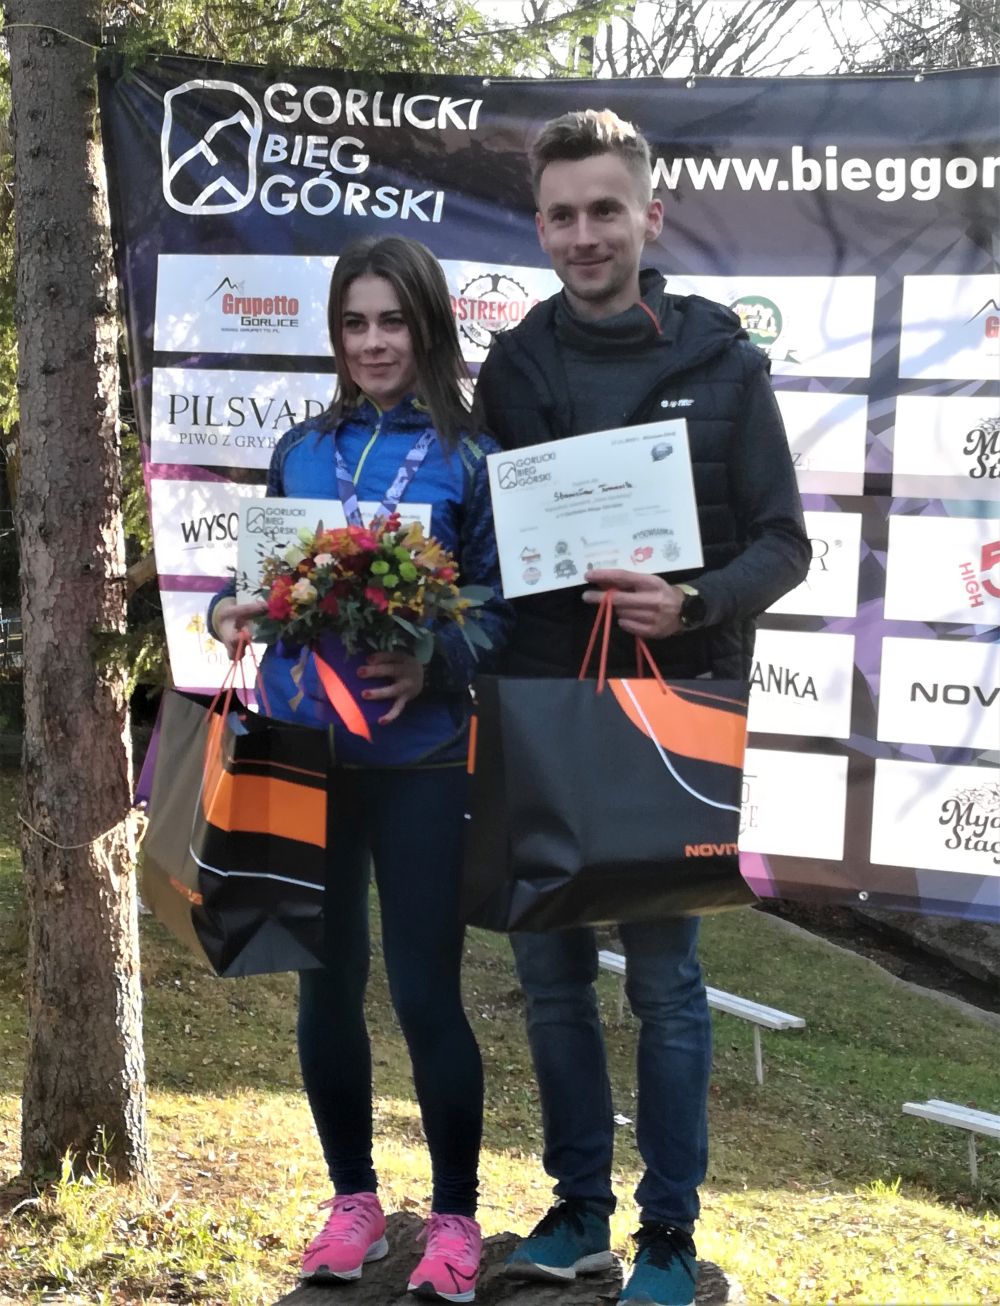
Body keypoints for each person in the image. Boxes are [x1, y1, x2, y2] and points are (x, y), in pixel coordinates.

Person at [474, 110, 810, 1306]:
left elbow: (784, 543)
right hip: (539, 711)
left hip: (672, 712)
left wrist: (693, 600)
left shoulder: (725, 362)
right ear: (540, 228)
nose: (584, 234)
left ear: (649, 217)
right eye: (561, 214)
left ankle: (668, 1235)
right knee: (550, 979)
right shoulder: (512, 368)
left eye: (605, 210)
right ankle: (578, 1211)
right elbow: (485, 538)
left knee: (665, 985)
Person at [211, 235, 512, 1304]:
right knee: (325, 982)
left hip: (420, 761)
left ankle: (456, 1218)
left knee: (426, 989)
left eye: (393, 320)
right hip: (305, 756)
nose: (374, 342)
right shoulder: (301, 451)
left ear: (428, 325)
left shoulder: (471, 457)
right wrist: (227, 610)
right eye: (354, 322)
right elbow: (253, 591)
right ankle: (353, 1203)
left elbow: (504, 612)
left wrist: (435, 661)